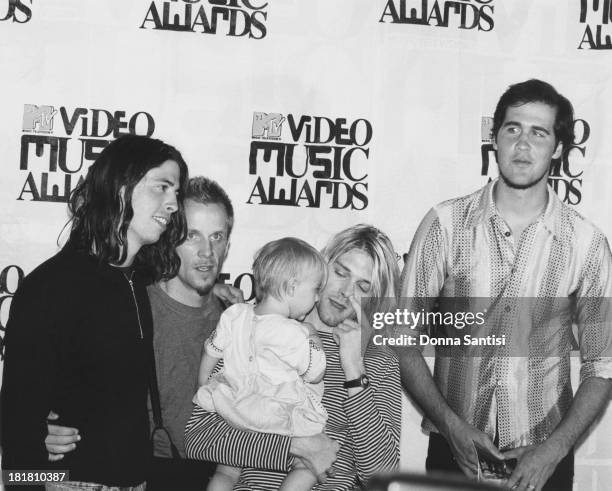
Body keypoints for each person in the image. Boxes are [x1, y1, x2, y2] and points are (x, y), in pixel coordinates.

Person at [397, 79, 612, 491]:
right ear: (494, 139)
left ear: (559, 148)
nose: (523, 144)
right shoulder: (445, 224)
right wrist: (452, 428)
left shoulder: (587, 244)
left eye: (539, 132)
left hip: (544, 461)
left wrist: (552, 451)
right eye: (512, 129)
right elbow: (404, 338)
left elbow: (602, 366)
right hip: (452, 454)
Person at [1, 134, 189, 490]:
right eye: (161, 187)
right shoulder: (51, 286)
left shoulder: (140, 282)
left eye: (176, 193)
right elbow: (17, 428)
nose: (173, 204)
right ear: (120, 186)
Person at [44, 176, 242, 491]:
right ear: (169, 238)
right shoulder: (132, 306)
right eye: (192, 236)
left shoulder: (238, 317)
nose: (208, 252)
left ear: (228, 245)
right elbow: (47, 382)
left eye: (217, 236)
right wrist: (38, 428)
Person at [185, 224, 402, 491]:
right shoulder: (255, 326)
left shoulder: (379, 362)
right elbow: (198, 438)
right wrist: (296, 447)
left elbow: (382, 476)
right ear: (320, 268)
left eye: (362, 286)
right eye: (340, 273)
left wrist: (354, 368)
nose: (346, 291)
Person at [195, 237, 328, 491]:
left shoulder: (234, 314)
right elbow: (314, 373)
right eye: (315, 290)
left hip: (233, 407)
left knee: (227, 469)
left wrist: (204, 387)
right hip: (278, 415)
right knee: (307, 466)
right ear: (291, 288)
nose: (317, 298)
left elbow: (210, 350)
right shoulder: (294, 333)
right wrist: (313, 336)